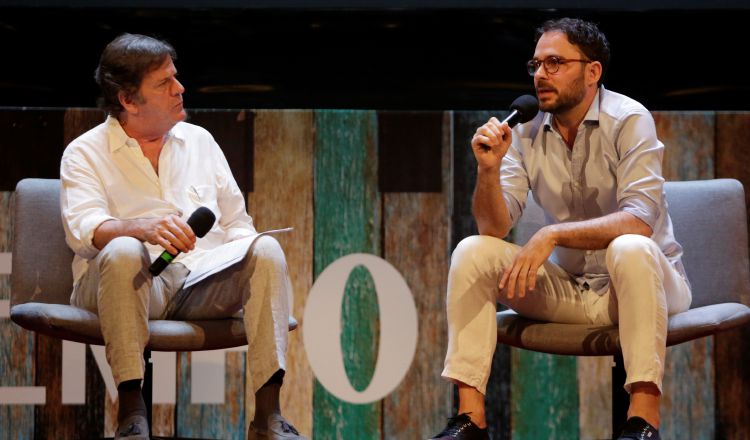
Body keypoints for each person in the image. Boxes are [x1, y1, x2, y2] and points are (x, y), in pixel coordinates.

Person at [429, 18, 691, 440]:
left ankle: (642, 420)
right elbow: (493, 226)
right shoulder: (524, 128)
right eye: (535, 64)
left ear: (592, 72)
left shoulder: (629, 119)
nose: (540, 75)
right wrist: (489, 171)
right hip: (572, 289)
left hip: (646, 285)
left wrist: (551, 234)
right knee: (472, 251)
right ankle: (470, 419)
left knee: (629, 247)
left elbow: (640, 221)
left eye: (554, 63)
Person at [60, 33, 306, 440]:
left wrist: (240, 257)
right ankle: (131, 411)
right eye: (164, 84)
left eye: (176, 77)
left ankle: (268, 416)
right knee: (123, 250)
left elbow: (237, 224)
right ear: (128, 100)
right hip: (126, 283)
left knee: (264, 247)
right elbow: (83, 232)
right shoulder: (85, 152)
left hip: (197, 282)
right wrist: (139, 228)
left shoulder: (201, 142)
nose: (180, 89)